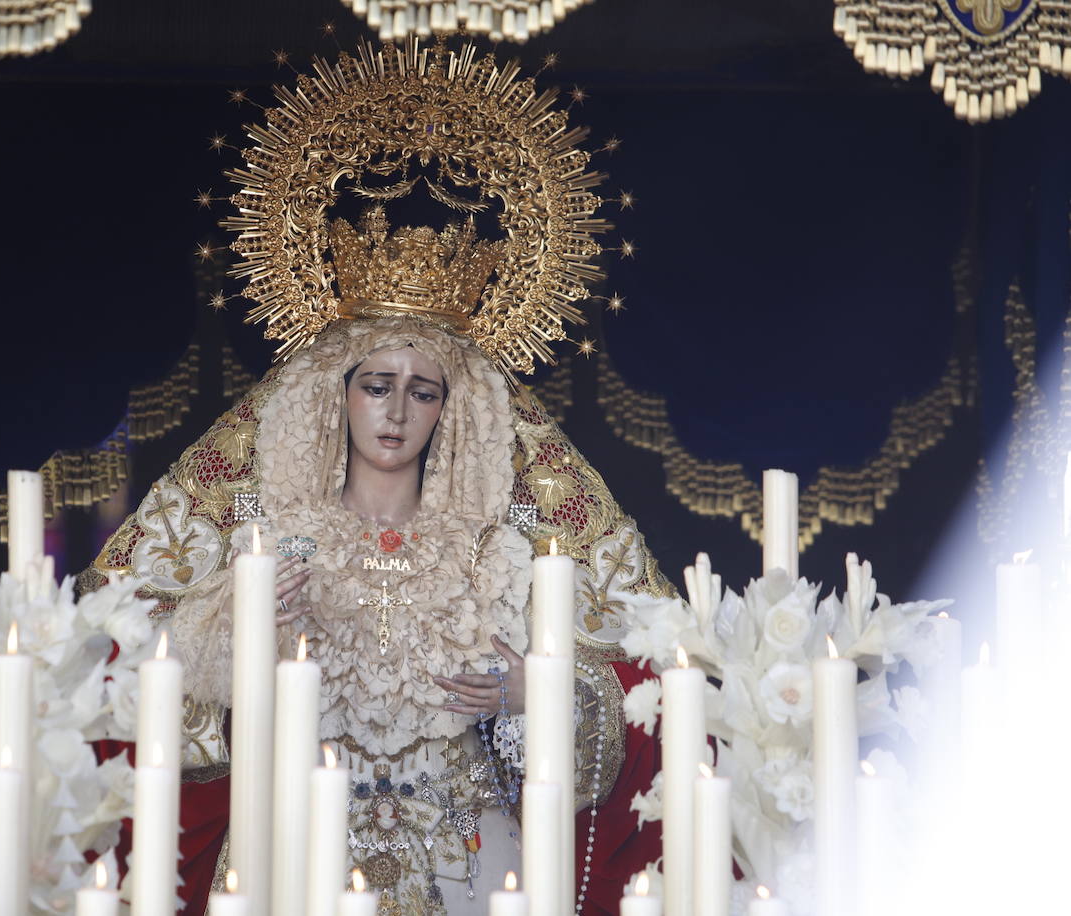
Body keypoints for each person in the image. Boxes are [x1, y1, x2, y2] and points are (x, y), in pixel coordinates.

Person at [79, 38, 677, 915]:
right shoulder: (269, 536)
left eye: (423, 391)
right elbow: (146, 679)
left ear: (451, 412)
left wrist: (528, 694)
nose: (396, 412)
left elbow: (618, 715)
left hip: (466, 858)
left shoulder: (495, 553)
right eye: (377, 386)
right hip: (292, 851)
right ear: (338, 397)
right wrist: (234, 633)